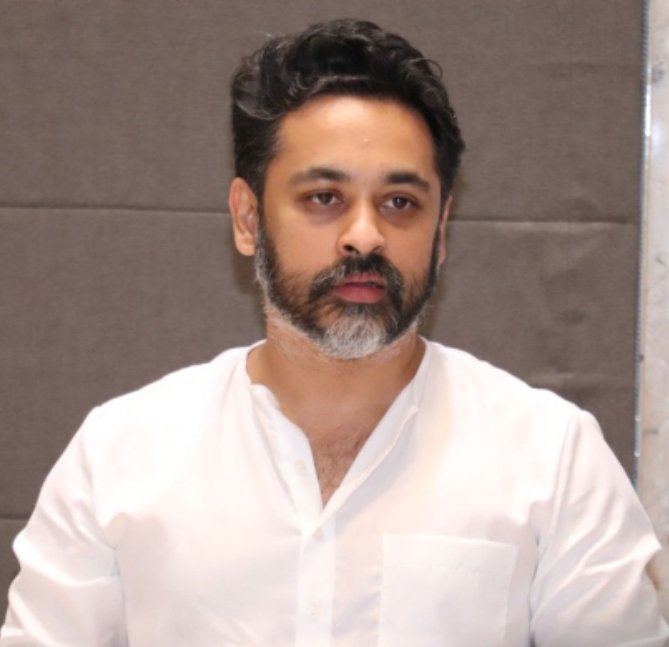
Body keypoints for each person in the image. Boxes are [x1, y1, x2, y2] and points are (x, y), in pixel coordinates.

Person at [1, 18, 667, 647]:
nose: (365, 236)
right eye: (324, 198)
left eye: (400, 202)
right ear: (248, 219)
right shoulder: (119, 454)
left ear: (441, 231)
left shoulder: (552, 458)